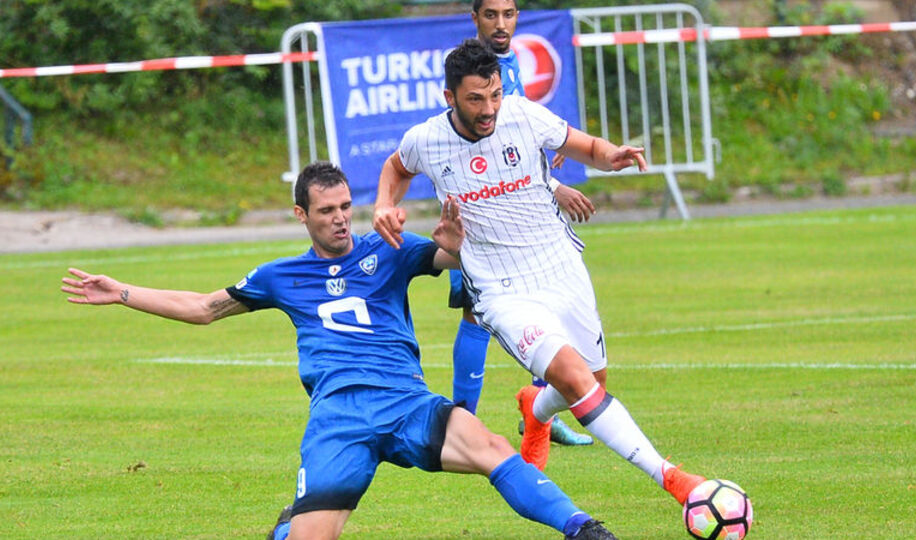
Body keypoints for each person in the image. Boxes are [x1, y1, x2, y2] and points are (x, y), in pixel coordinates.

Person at [60, 161, 618, 540]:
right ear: (302, 215)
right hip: (339, 419)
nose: (339, 218)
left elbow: (452, 261)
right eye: (326, 211)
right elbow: (204, 307)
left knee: (492, 445)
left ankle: (585, 529)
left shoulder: (390, 250)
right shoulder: (280, 276)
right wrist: (123, 293)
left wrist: (454, 240)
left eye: (345, 206)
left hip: (406, 402)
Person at [373, 40, 708, 506]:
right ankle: (674, 480)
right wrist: (384, 204)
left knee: (594, 384)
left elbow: (581, 144)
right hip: (500, 289)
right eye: (475, 99)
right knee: (574, 379)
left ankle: (537, 407)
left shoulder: (524, 115)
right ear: (449, 97)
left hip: (560, 267)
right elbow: (396, 166)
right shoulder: (426, 139)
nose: (489, 108)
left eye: (494, 95)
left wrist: (609, 154)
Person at [453, 0, 594, 447]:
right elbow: (480, 152)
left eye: (509, 14)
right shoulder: (467, 71)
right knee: (474, 313)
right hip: (482, 212)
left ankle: (539, 417)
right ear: (473, 16)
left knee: (544, 311)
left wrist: (545, 169)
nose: (500, 23)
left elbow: (516, 142)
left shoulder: (510, 65)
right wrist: (554, 188)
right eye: (490, 14)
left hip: (524, 216)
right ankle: (462, 421)